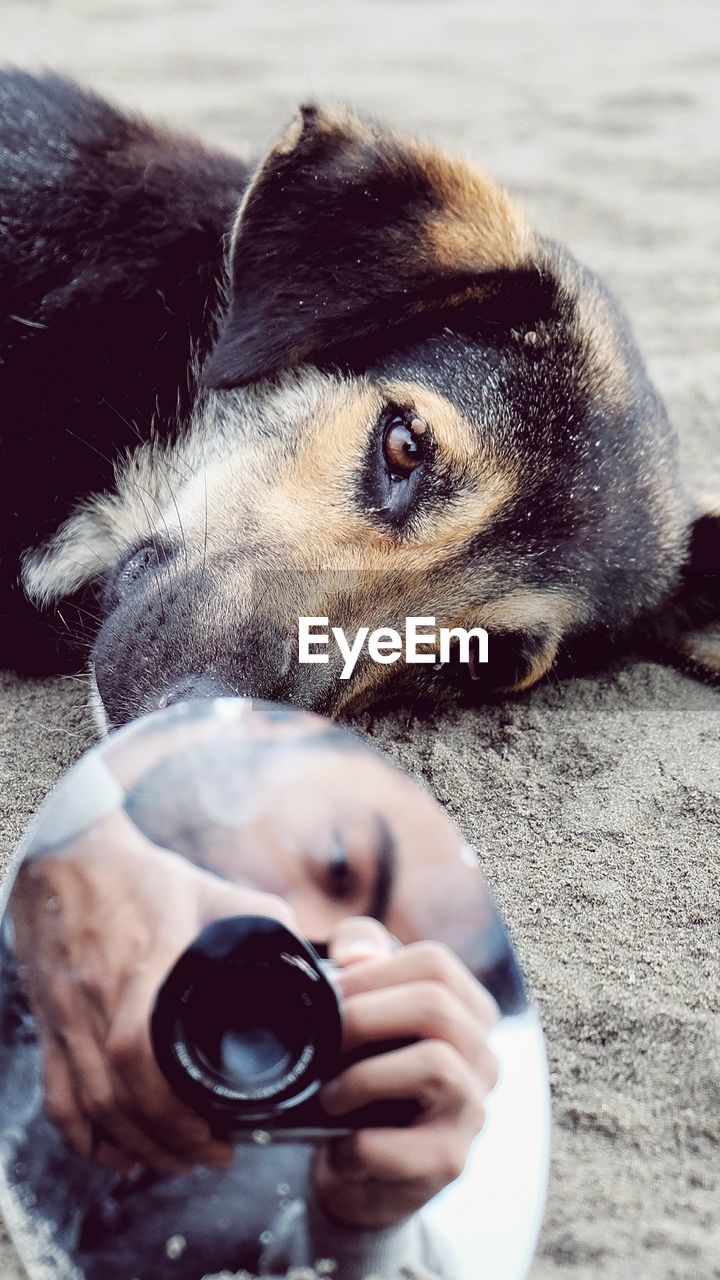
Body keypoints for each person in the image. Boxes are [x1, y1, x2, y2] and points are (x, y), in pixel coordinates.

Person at [2, 700, 509, 1280]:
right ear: (273, 723)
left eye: (346, 981)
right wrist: (77, 840)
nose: (297, 934)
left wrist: (363, 1238)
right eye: (337, 863)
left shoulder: (289, 1172)